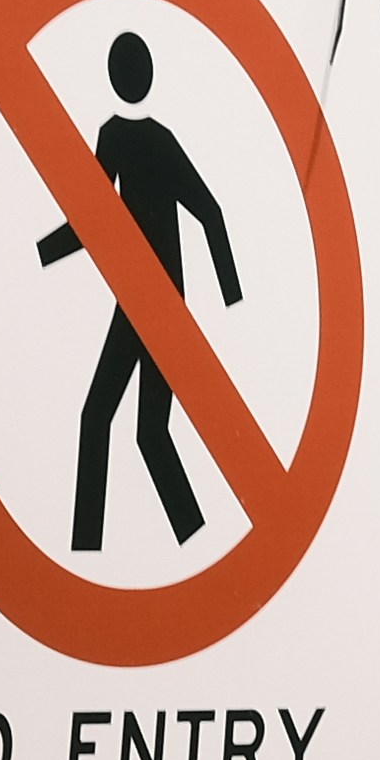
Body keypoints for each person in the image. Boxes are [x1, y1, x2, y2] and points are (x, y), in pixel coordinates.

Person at [39, 28, 243, 553]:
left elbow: (90, 219)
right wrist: (230, 296)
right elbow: (211, 213)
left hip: (143, 300)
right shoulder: (161, 139)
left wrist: (40, 253)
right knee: (150, 431)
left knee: (101, 419)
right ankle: (195, 544)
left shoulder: (116, 136)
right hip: (163, 301)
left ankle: (86, 548)